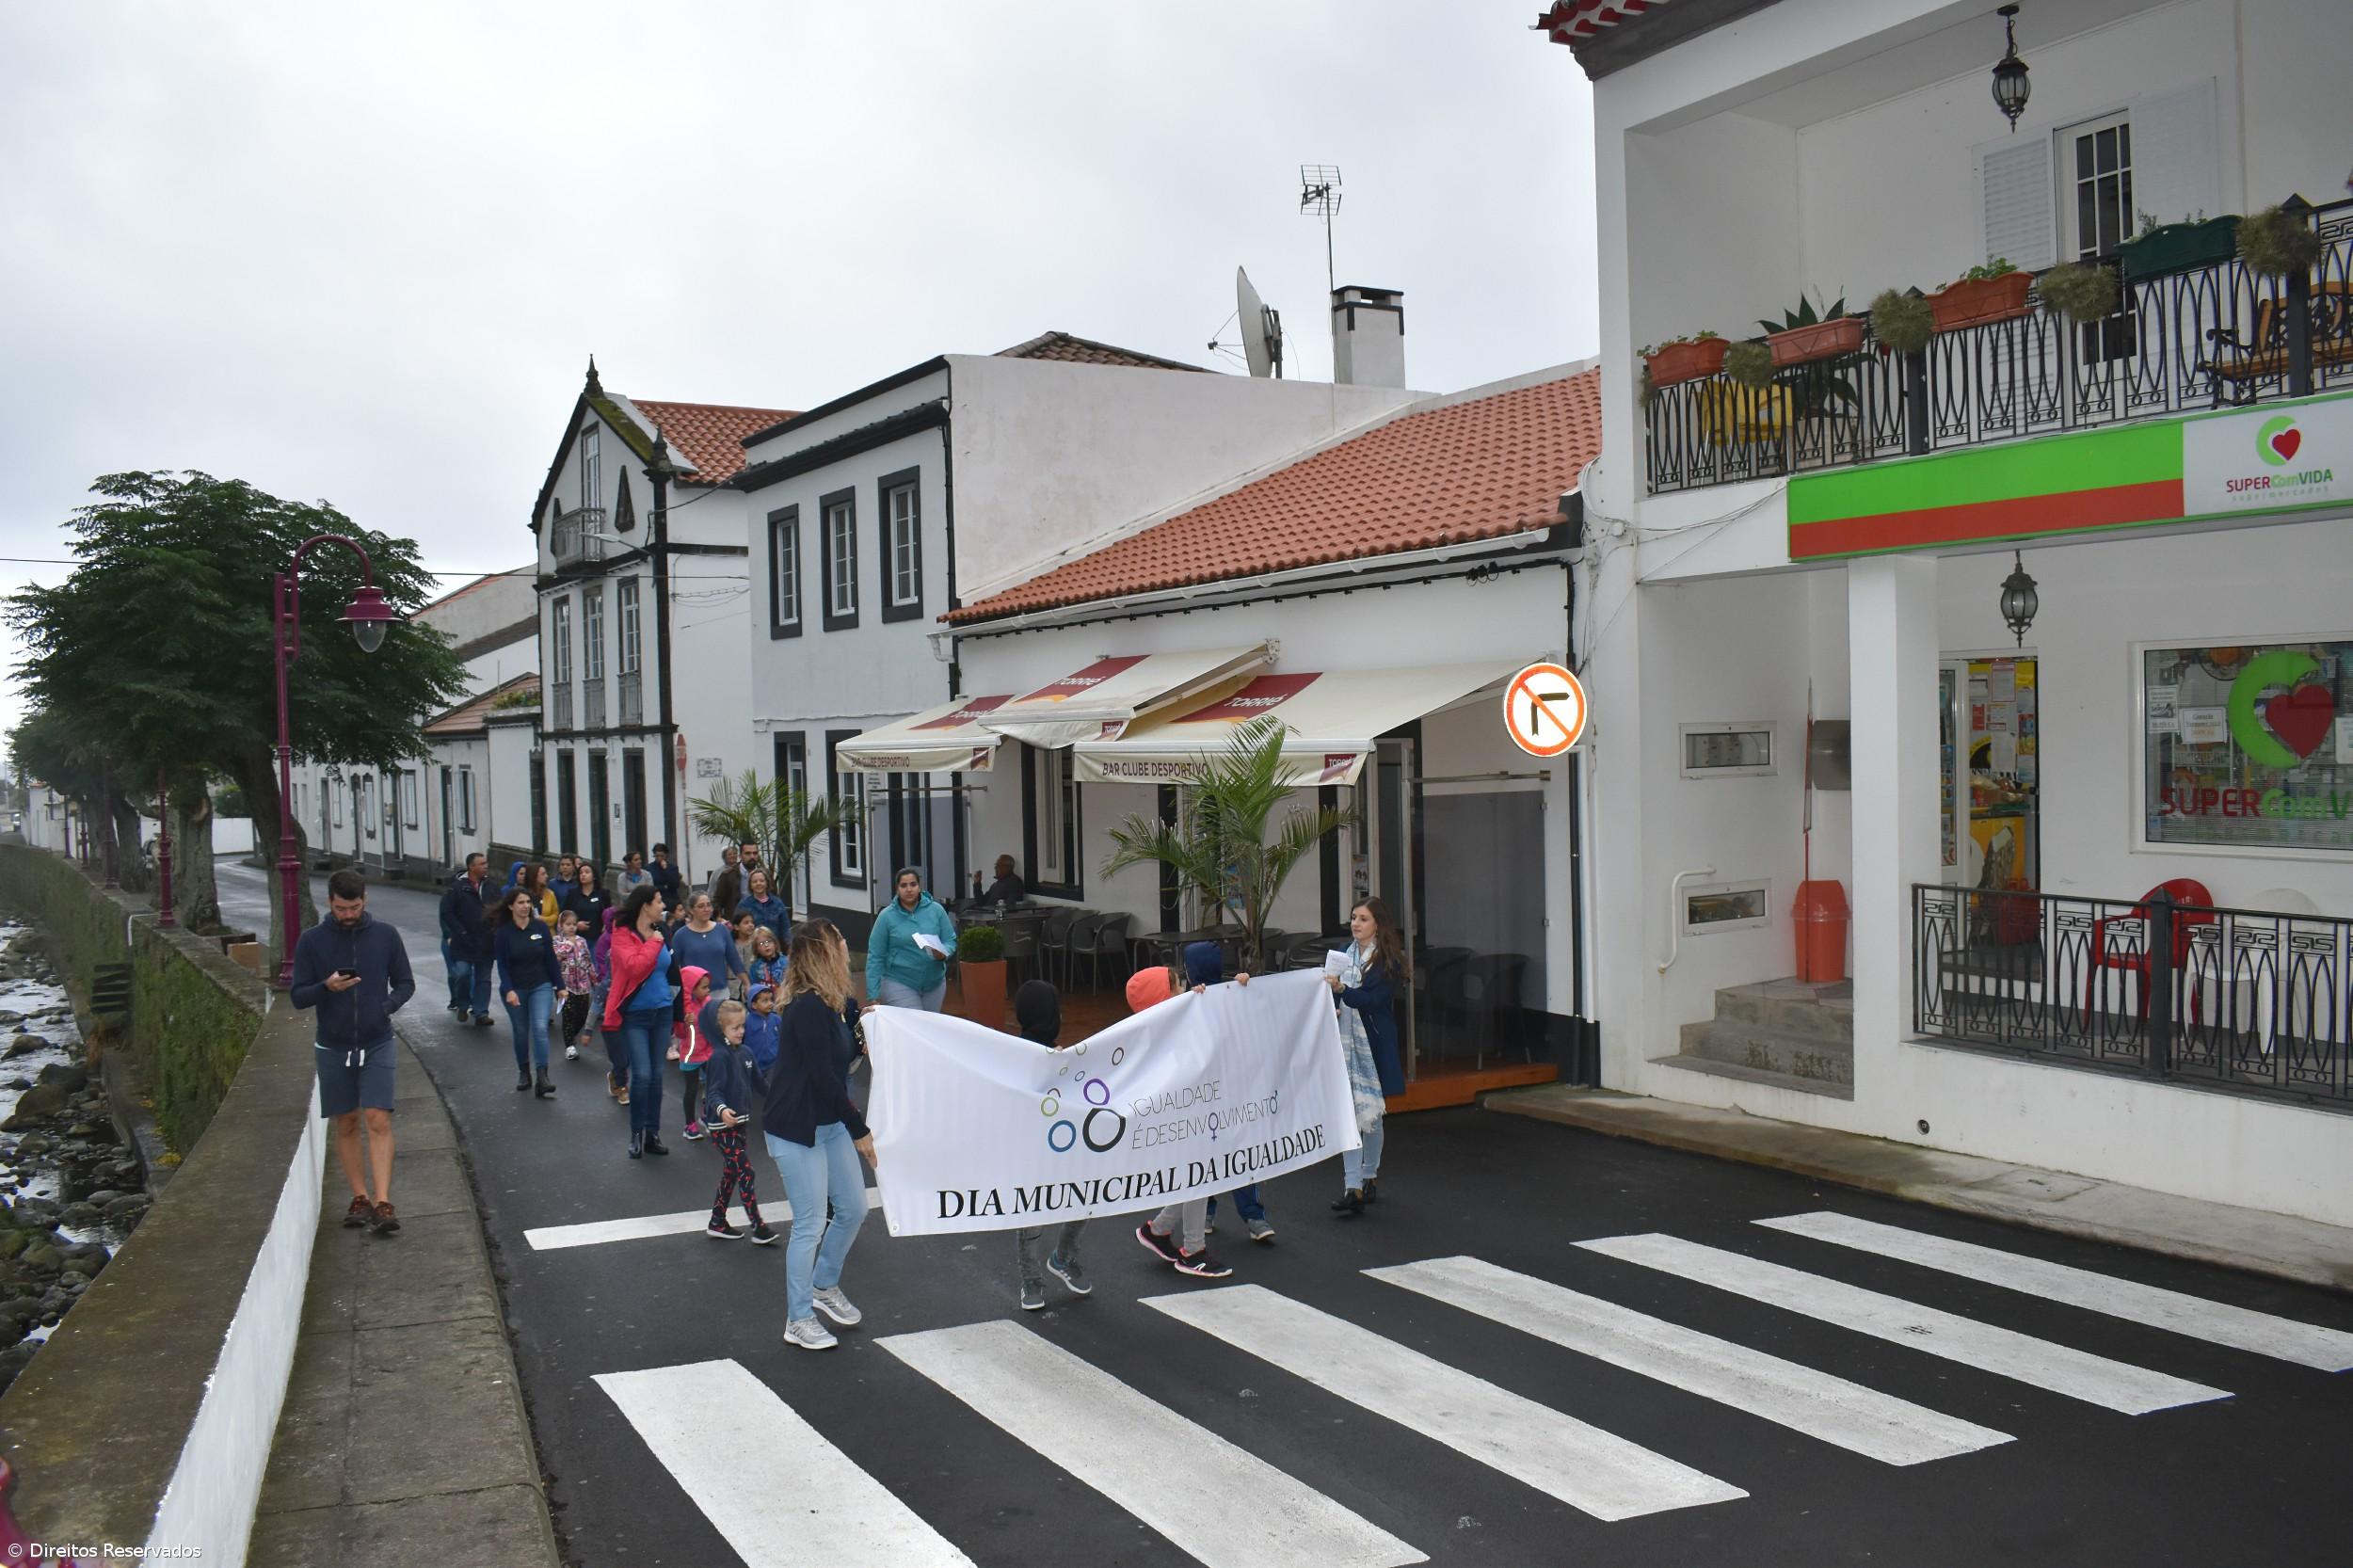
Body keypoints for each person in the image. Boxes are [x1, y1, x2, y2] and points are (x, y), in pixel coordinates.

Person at [764, 920, 875, 1352]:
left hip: (826, 1122)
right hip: (797, 1127)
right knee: (809, 1223)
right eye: (841, 940)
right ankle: (798, 1318)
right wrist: (859, 1128)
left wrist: (865, 1027)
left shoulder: (836, 1003)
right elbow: (824, 1079)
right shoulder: (807, 1008)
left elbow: (845, 1056)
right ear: (824, 952)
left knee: (853, 1208)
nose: (847, 946)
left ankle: (823, 1284)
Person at [291, 870, 415, 1237]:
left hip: (378, 1040)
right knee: (345, 1121)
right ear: (329, 902)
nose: (349, 914)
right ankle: (359, 1196)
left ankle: (382, 1200)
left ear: (365, 900)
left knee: (377, 1118)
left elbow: (406, 983)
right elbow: (298, 996)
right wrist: (326, 987)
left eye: (355, 907)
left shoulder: (385, 935)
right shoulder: (312, 942)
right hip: (333, 1043)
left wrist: (386, 1006)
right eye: (342, 908)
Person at [1133, 943, 1246, 1278]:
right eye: (1177, 984)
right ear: (1164, 998)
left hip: (1192, 1113)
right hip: (1185, 1115)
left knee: (1198, 1176)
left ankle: (1159, 1230)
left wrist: (1221, 995)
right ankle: (1193, 1250)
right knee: (1199, 1175)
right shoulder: (1165, 1030)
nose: (1185, 986)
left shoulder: (1163, 1025)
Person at [1011, 980, 1089, 1310]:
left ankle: (1063, 1257)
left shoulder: (1058, 1055)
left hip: (1062, 1144)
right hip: (1029, 1150)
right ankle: (1030, 1279)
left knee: (1086, 1196)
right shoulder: (1010, 1053)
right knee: (1032, 1214)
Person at [1328, 897, 1407, 1217]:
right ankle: (1353, 1186)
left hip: (1373, 1042)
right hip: (1343, 1041)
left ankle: (1368, 1175)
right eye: (1353, 918)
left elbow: (1374, 1000)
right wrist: (1332, 996)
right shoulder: (1341, 957)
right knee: (1349, 1113)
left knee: (1371, 1114)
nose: (1356, 924)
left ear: (1378, 925)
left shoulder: (1388, 961)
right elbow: (1331, 991)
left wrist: (1343, 991)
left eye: (1363, 919)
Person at [604, 886, 681, 1159]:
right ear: (645, 905)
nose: (664, 906)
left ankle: (653, 1134)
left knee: (657, 1076)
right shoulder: (622, 934)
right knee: (643, 1075)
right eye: (659, 901)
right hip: (635, 1015)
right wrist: (654, 942)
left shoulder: (663, 933)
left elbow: (674, 974)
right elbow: (635, 967)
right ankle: (636, 1134)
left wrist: (680, 1015)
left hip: (662, 1011)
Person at [700, 1000, 776, 1244]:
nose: (741, 1031)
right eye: (735, 1028)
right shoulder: (719, 1058)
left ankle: (717, 1221)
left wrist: (781, 1098)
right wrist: (722, 1110)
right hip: (722, 1127)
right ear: (720, 1030)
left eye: (742, 1026)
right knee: (746, 1171)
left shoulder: (746, 1053)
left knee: (731, 1173)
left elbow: (761, 1085)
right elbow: (713, 1093)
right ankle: (758, 1227)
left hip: (739, 1124)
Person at [494, 888, 561, 1097]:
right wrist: (509, 989)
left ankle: (543, 1076)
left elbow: (550, 958)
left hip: (540, 984)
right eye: (521, 902)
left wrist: (561, 986)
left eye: (528, 902)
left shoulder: (540, 928)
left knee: (540, 1028)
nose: (525, 906)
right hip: (516, 988)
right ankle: (524, 1072)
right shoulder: (503, 933)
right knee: (521, 1031)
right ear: (511, 906)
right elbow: (502, 966)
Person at [865, 867, 957, 1011]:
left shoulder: (936, 910)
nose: (909, 889)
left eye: (913, 884)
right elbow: (875, 956)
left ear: (919, 887)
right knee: (913, 1025)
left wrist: (944, 952)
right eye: (903, 885)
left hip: (935, 983)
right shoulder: (886, 916)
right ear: (897, 889)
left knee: (928, 1028)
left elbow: (950, 940)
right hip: (899, 982)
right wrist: (873, 995)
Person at [437, 852, 497, 1024]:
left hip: (486, 941)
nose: (486, 866)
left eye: (486, 863)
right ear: (472, 867)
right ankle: (462, 1005)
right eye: (482, 863)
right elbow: (447, 912)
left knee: (484, 979)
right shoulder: (457, 888)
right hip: (463, 942)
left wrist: (496, 929)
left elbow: (500, 908)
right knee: (462, 974)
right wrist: (459, 931)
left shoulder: (491, 887)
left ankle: (481, 1013)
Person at [667, 891, 747, 1005]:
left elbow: (734, 960)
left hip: (720, 992)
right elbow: (674, 966)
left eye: (708, 905)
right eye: (701, 906)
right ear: (691, 910)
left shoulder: (722, 930)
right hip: (693, 997)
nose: (706, 909)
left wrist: (746, 983)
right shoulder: (681, 935)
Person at [673, 966, 715, 1140]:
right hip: (690, 1054)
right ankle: (689, 1124)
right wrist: (684, 1023)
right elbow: (680, 1034)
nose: (708, 990)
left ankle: (706, 1114)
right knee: (691, 1089)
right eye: (704, 987)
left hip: (708, 1051)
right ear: (691, 988)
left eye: (708, 986)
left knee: (713, 1085)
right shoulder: (683, 1008)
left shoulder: (708, 1002)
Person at [592, 907, 628, 1104]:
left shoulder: (629, 939)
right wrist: (588, 1030)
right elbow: (595, 1006)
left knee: (629, 1055)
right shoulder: (604, 942)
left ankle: (617, 1075)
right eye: (614, 921)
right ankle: (622, 1085)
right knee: (620, 1056)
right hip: (611, 1007)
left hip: (629, 1004)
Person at [553, 907, 595, 1063]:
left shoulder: (582, 941)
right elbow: (556, 957)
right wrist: (568, 944)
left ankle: (572, 1036)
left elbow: (588, 960)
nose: (571, 927)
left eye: (574, 924)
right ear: (561, 925)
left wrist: (594, 978)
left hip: (583, 985)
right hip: (566, 986)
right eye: (567, 924)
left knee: (582, 1015)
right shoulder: (557, 941)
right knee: (568, 1015)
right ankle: (569, 1045)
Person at [740, 866, 790, 946]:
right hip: (752, 948)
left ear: (767, 883)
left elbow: (785, 929)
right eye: (755, 882)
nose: (758, 883)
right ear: (751, 885)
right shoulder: (744, 905)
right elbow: (739, 929)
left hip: (774, 947)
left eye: (762, 881)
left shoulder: (777, 903)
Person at [562, 860, 611, 928]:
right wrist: (575, 924)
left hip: (598, 934)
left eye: (587, 872)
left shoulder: (603, 894)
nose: (583, 875)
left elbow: (609, 913)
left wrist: (606, 925)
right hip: (577, 935)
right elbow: (564, 914)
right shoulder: (572, 894)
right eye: (581, 873)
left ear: (594, 876)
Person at [747, 925, 787, 999]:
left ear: (775, 943)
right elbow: (753, 989)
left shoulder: (786, 962)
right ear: (756, 949)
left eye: (768, 941)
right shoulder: (755, 967)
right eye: (761, 944)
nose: (766, 945)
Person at [728, 910, 759, 1000]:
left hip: (752, 988)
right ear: (736, 927)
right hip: (732, 990)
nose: (750, 925)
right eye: (746, 923)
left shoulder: (756, 944)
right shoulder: (730, 945)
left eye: (752, 922)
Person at [708, 845, 743, 920]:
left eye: (735, 853)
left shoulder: (742, 871)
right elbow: (712, 892)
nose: (733, 856)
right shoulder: (717, 873)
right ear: (724, 857)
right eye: (730, 854)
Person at [648, 842, 684, 908]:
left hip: (671, 898)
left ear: (666, 855)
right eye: (657, 856)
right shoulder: (649, 868)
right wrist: (665, 887)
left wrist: (666, 869)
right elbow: (651, 886)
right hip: (657, 899)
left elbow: (675, 884)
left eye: (662, 856)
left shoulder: (673, 867)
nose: (659, 858)